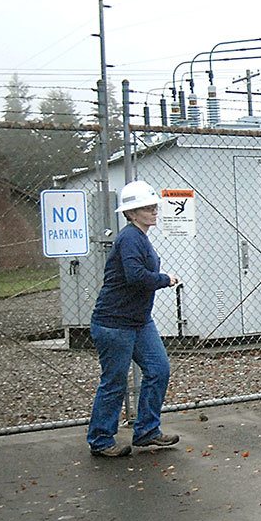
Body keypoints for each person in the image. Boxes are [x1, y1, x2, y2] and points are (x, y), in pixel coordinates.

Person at [86, 179, 181, 458]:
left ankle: (147, 431)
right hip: (114, 322)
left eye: (153, 206)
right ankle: (101, 439)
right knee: (115, 381)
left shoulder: (140, 237)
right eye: (146, 208)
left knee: (158, 369)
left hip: (138, 321)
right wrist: (166, 279)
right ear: (131, 213)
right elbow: (135, 276)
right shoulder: (129, 238)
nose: (153, 211)